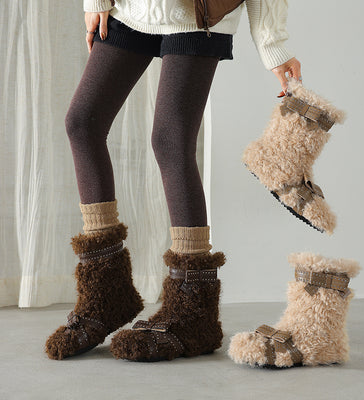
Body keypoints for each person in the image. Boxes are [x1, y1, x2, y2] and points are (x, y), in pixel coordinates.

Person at [45, 0, 302, 361]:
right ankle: (106, 292)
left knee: (170, 142)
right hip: (132, 9)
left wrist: (273, 44)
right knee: (82, 123)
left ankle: (193, 311)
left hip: (198, 18)